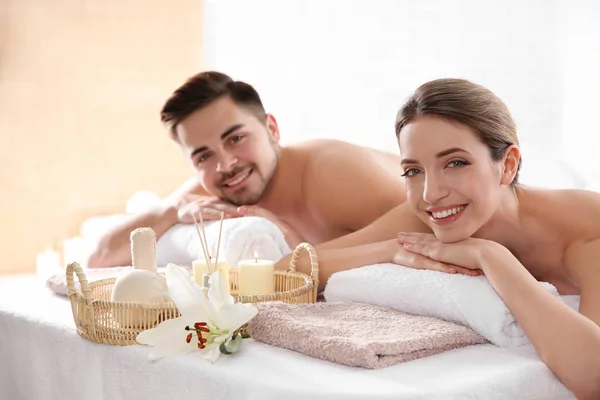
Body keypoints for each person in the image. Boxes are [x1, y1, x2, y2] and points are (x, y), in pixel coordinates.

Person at [280, 78, 600, 398]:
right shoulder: (423, 220)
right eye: (413, 171)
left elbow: (592, 376)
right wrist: (392, 250)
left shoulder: (588, 232)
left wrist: (492, 258)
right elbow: (284, 272)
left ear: (508, 165)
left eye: (455, 163)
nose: (431, 193)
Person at [87, 71, 407, 269]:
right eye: (203, 156)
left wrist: (301, 256)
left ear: (272, 129)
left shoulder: (331, 171)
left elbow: (424, 220)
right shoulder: (214, 192)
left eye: (236, 138)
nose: (225, 165)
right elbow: (99, 258)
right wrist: (172, 211)